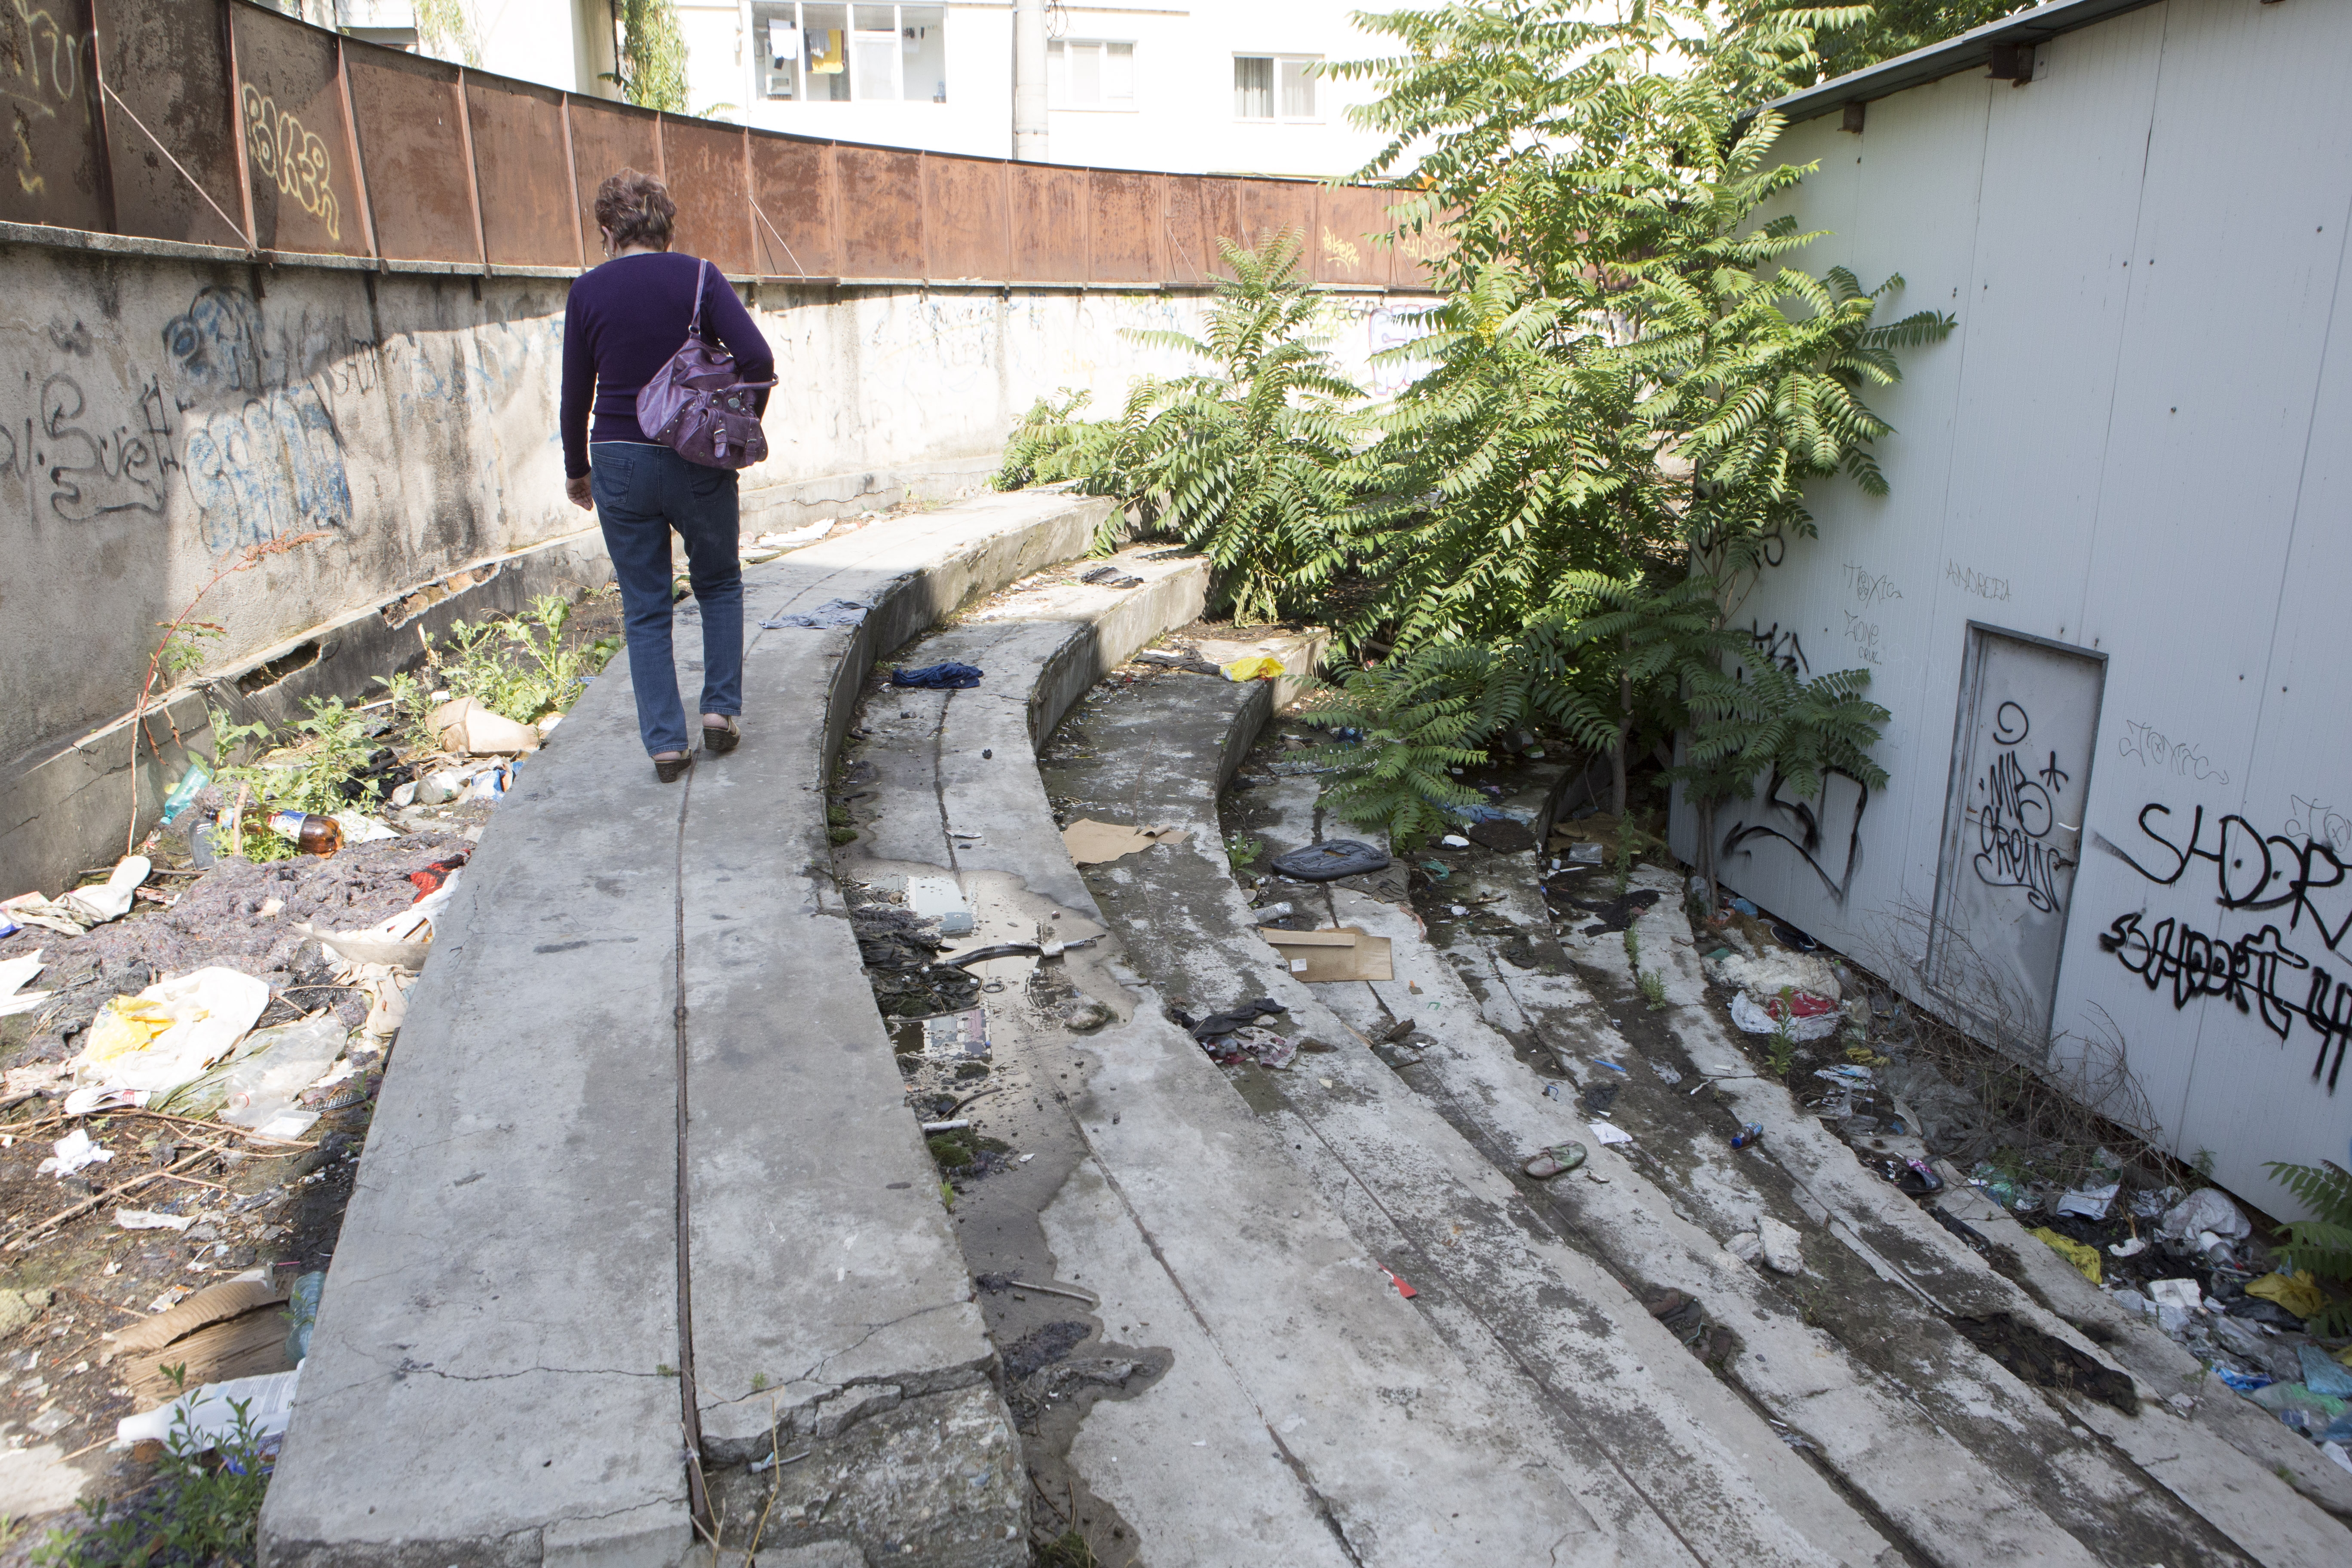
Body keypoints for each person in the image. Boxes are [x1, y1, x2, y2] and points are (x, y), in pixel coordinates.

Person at [561, 168, 776, 782]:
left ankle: (665, 744)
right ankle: (718, 712)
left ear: (607, 230)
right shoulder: (700, 277)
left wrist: (578, 470)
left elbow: (576, 394)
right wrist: (731, 425)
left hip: (619, 458)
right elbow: (758, 357)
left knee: (645, 606)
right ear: (666, 225)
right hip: (694, 455)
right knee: (719, 583)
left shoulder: (588, 292)